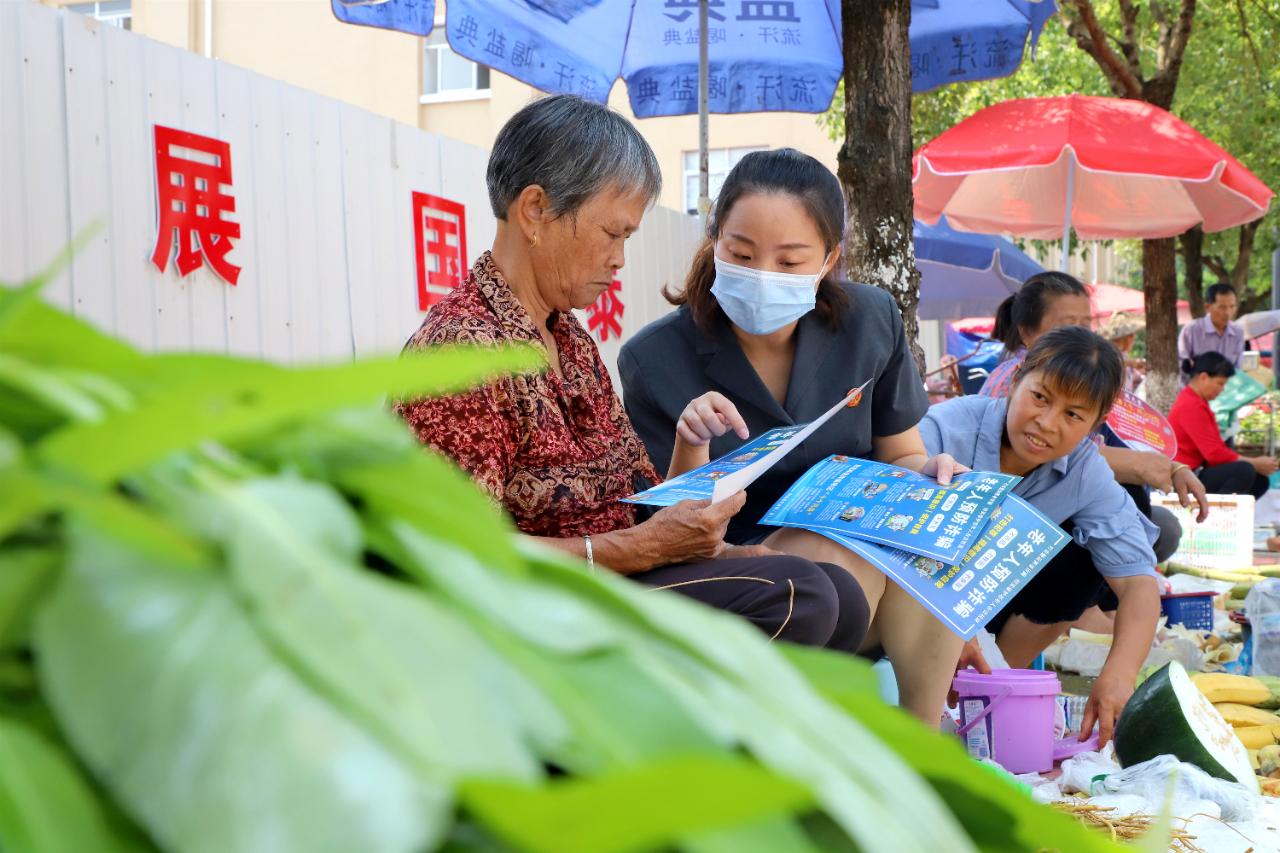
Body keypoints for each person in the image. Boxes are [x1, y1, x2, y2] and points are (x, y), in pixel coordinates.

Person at [395, 96, 869, 653]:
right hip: (532, 622)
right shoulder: (462, 353)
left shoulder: (567, 338)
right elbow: (448, 551)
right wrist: (636, 549)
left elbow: (637, 501)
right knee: (801, 594)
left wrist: (700, 514)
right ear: (534, 212)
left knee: (840, 593)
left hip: (615, 583)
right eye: (612, 234)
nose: (620, 259)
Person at [619, 148, 965, 724]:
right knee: (831, 556)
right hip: (738, 578)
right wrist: (692, 444)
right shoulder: (654, 359)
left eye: (789, 262)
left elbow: (902, 453)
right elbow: (661, 530)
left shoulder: (871, 321)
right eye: (742, 253)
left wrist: (928, 477)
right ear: (714, 240)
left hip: (859, 564)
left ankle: (924, 741)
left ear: (828, 259)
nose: (762, 276)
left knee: (927, 537)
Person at [924, 327, 1163, 746]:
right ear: (1016, 381)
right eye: (1040, 397)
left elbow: (1139, 584)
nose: (1047, 424)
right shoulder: (947, 428)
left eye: (1074, 414)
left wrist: (1119, 675)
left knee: (1083, 561)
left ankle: (994, 685)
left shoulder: (1085, 471)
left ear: (1095, 423)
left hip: (992, 608)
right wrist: (946, 632)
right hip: (913, 601)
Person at [978, 274, 1207, 559]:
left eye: (1085, 325)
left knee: (1151, 523)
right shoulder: (1019, 376)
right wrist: (1140, 465)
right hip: (1010, 525)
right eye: (1067, 325)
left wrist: (1168, 467)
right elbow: (1054, 459)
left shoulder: (1074, 381)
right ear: (1026, 333)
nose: (1080, 335)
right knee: (1136, 511)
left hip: (1050, 512)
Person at [1169, 351, 1275, 498]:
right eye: (1220, 383)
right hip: (1186, 474)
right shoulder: (1191, 405)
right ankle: (1215, 515)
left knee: (1260, 481)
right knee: (1245, 470)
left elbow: (1215, 450)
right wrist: (1255, 463)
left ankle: (1234, 516)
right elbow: (1214, 454)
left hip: (1197, 469)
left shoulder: (1197, 402)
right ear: (1204, 377)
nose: (1222, 389)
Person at [1179, 283, 1244, 371]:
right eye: (1222, 307)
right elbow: (1181, 364)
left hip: (1228, 384)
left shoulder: (1238, 332)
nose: (1228, 313)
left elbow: (1237, 369)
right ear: (1207, 307)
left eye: (1232, 307)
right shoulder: (1191, 330)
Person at [1097, 311, 1145, 393]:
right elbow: (1114, 361)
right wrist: (1133, 363)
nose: (1134, 338)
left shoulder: (1125, 356)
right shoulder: (1110, 353)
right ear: (1125, 337)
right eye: (1132, 335)